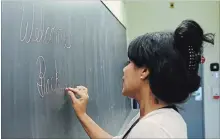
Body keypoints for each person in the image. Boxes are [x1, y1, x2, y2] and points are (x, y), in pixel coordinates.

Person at [65, 20, 214, 139]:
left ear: (144, 71)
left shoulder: (152, 130)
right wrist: (82, 115)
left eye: (130, 62)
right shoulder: (160, 118)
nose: (124, 69)